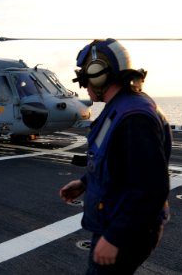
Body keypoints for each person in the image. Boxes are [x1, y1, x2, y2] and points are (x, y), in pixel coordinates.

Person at [59, 38, 172, 274]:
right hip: (117, 222)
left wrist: (115, 237)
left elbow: (151, 188)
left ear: (99, 75)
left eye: (85, 79)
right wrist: (84, 182)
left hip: (126, 230)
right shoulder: (121, 108)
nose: (84, 87)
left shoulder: (133, 117)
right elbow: (113, 159)